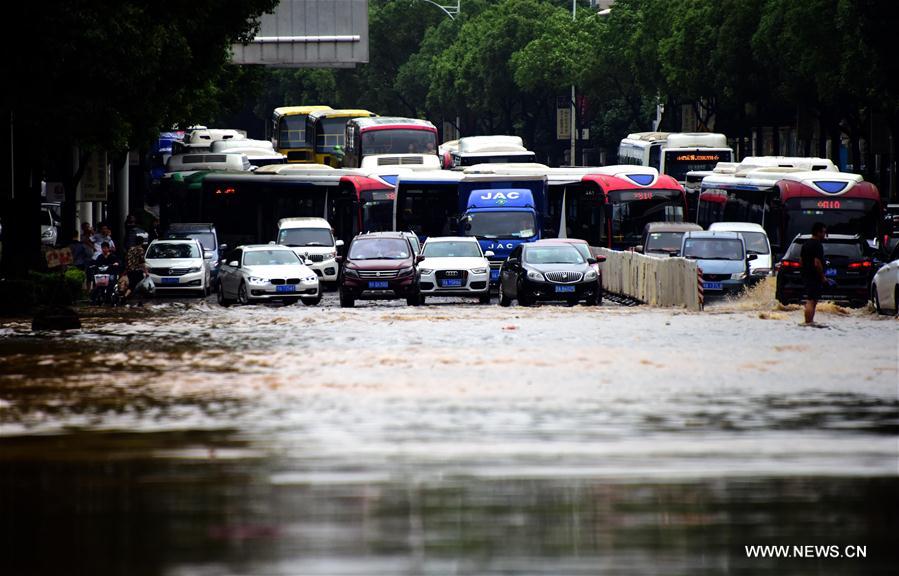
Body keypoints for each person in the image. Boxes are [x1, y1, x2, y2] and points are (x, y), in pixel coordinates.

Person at [800, 222, 829, 325]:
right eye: (824, 232)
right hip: (814, 276)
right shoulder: (817, 245)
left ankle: (809, 321)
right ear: (818, 232)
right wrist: (822, 277)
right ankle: (808, 322)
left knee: (811, 298)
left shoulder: (805, 244)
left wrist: (804, 272)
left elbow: (801, 261)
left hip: (807, 275)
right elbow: (817, 263)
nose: (825, 235)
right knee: (811, 300)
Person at [123, 232, 149, 305]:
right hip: (137, 271)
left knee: (132, 284)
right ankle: (126, 297)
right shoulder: (140, 250)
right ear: (142, 242)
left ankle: (128, 297)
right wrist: (146, 272)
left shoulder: (131, 249)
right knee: (139, 285)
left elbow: (126, 259)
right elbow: (142, 263)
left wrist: (126, 268)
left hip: (130, 270)